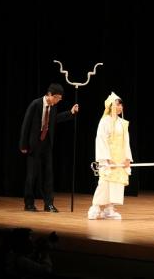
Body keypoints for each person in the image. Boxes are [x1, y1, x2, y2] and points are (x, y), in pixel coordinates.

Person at [20, 83, 79, 213]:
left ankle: (49, 204)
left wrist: (70, 112)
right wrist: (23, 144)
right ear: (50, 94)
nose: (57, 101)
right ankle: (29, 203)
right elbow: (26, 124)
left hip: (46, 144)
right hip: (34, 144)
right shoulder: (35, 104)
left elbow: (54, 119)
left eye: (59, 99)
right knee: (32, 175)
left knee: (48, 175)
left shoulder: (53, 107)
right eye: (56, 98)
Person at [87, 92, 133, 220]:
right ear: (110, 106)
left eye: (121, 105)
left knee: (117, 184)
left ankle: (109, 209)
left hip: (120, 159)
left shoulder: (123, 123)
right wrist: (107, 159)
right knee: (104, 183)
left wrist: (127, 158)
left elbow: (126, 141)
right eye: (117, 105)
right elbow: (101, 140)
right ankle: (95, 207)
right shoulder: (104, 121)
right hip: (108, 159)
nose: (120, 107)